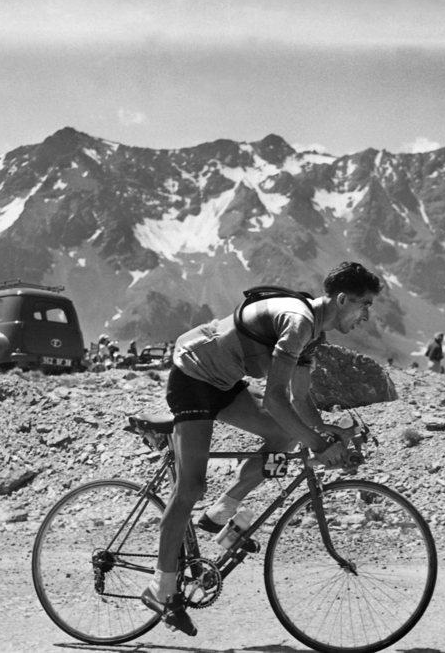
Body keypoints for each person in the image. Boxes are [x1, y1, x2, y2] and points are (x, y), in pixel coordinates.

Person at [142, 262, 378, 636]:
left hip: (224, 380)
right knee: (191, 488)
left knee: (284, 436)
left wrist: (326, 434)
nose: (366, 316)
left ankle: (221, 512)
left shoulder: (313, 333)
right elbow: (277, 399)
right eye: (364, 305)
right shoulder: (298, 323)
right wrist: (316, 443)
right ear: (342, 299)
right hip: (193, 375)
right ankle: (160, 586)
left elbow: (300, 398)